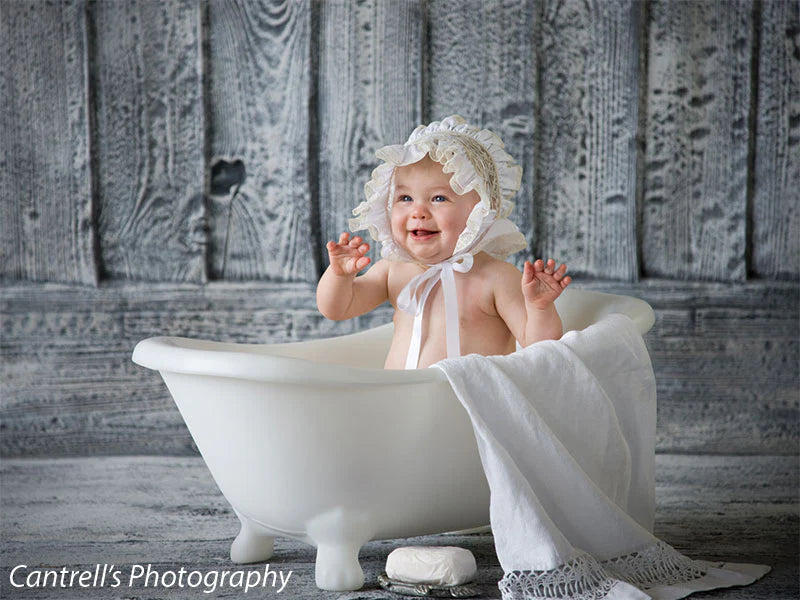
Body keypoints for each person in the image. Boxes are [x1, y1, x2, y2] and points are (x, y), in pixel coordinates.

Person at [316, 115, 571, 369]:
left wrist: (538, 308)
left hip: (465, 403)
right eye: (405, 198)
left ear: (481, 211)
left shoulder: (496, 277)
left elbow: (541, 348)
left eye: (438, 198)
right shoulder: (394, 270)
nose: (418, 212)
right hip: (398, 400)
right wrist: (339, 276)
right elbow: (337, 309)